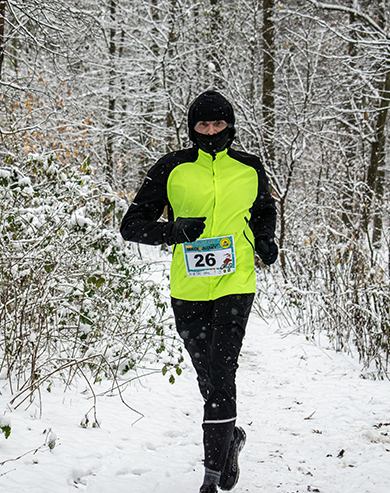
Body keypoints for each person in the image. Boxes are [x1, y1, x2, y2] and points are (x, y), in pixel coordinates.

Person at [120, 90, 278, 493]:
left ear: (230, 126)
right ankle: (231, 440)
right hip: (188, 287)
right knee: (208, 374)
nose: (210, 131)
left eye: (218, 124)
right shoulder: (171, 168)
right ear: (191, 128)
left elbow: (263, 212)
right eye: (203, 125)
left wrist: (265, 241)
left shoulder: (248, 167)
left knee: (223, 371)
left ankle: (211, 476)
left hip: (236, 282)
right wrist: (172, 231)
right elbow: (131, 224)